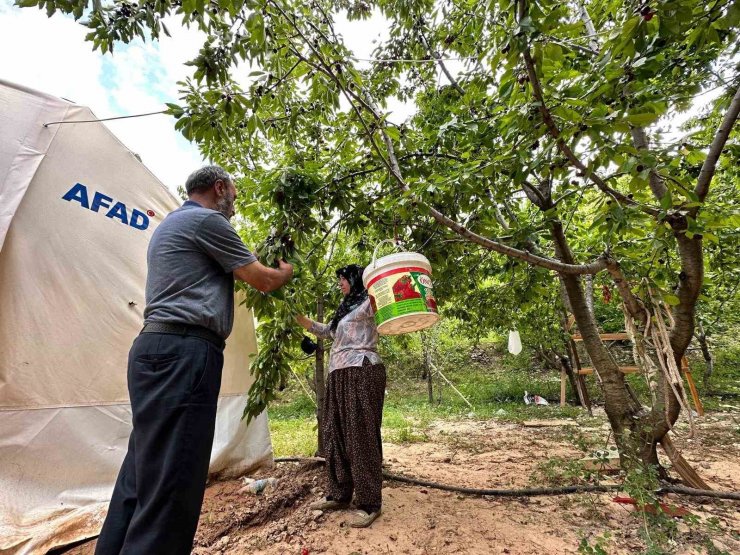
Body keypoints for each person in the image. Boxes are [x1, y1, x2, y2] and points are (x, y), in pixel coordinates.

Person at [95, 165, 293, 554]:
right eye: (233, 193)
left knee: (142, 468)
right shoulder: (208, 222)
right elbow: (264, 280)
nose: (235, 202)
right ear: (219, 187)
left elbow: (234, 261)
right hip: (186, 351)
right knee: (175, 477)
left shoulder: (172, 225)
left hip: (152, 349)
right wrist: (284, 271)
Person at [296, 264, 386, 528]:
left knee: (361, 435)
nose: (340, 283)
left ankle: (370, 503)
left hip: (362, 369)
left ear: (356, 280)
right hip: (338, 374)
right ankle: (340, 494)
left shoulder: (369, 303)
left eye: (343, 278)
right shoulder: (345, 309)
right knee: (335, 433)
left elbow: (389, 300)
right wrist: (300, 318)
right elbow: (328, 332)